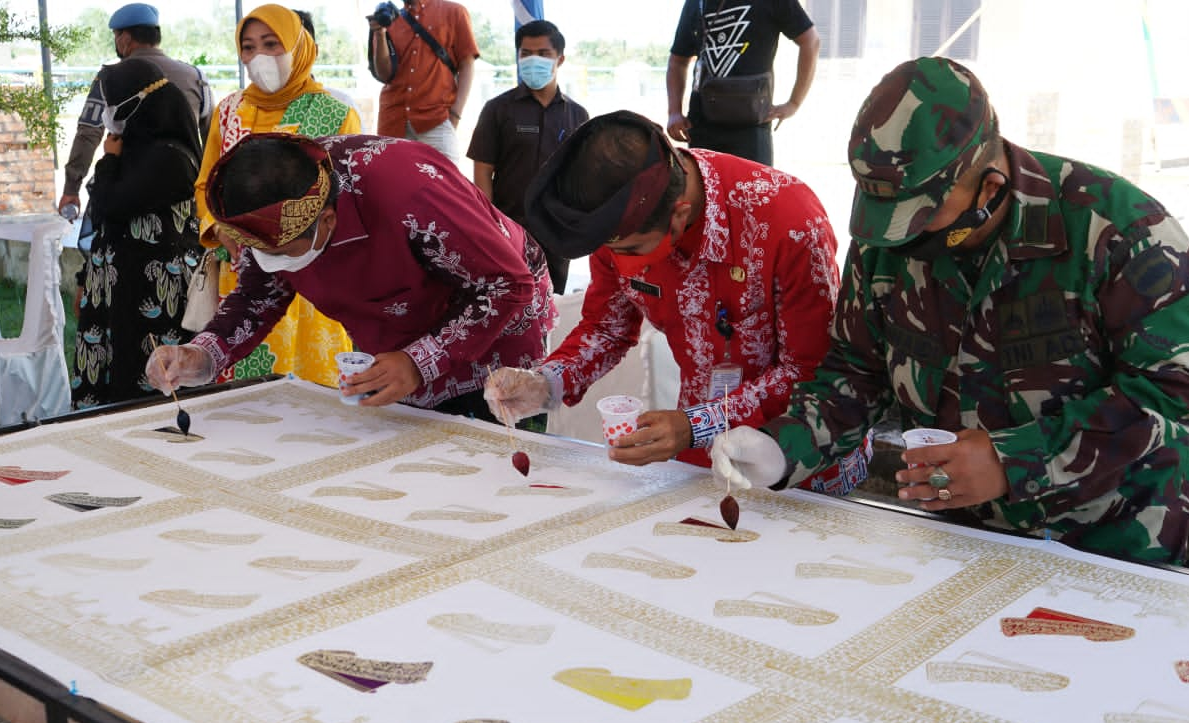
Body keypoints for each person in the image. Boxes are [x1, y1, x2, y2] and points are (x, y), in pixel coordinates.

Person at [711, 57, 1189, 565]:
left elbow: (1175, 392)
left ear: (989, 187)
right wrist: (783, 448)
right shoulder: (888, 239)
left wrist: (1011, 461)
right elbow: (856, 370)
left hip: (1112, 542)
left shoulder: (1121, 232)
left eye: (922, 219)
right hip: (963, 541)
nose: (903, 240)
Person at [483, 110, 869, 495]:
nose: (619, 260)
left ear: (679, 216)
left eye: (632, 250)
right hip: (697, 457)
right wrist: (546, 382)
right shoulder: (618, 222)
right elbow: (607, 327)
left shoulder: (788, 222)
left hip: (801, 462)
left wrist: (696, 424)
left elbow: (811, 369)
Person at [146, 132, 555, 421]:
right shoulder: (274, 207)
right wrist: (203, 354)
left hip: (496, 322)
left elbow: (507, 283)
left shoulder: (408, 190)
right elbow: (257, 295)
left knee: (490, 471)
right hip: (397, 335)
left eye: (282, 255)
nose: (269, 265)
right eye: (258, 253)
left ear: (327, 220)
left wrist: (420, 362)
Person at [195, 4, 361, 388]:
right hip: (242, 269)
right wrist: (219, 228)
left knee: (313, 380)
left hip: (311, 266)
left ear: (298, 46)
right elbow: (206, 184)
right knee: (244, 377)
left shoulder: (334, 112)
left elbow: (345, 193)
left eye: (271, 44)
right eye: (249, 48)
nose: (259, 58)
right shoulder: (229, 111)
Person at [72, 57, 202, 409]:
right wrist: (87, 276)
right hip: (115, 290)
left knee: (146, 387)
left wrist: (108, 161)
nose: (108, 113)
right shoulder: (132, 148)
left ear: (138, 102)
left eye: (114, 103)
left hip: (151, 296)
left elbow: (111, 205)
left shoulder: (169, 158)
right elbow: (102, 223)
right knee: (108, 381)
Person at [467, 19, 589, 296]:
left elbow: (583, 176)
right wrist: (488, 224)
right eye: (526, 53)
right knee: (508, 301)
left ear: (560, 59)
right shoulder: (498, 109)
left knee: (550, 303)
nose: (533, 60)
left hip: (556, 231)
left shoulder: (577, 115)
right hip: (509, 229)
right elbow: (483, 170)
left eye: (543, 53)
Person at [58, 2, 213, 219]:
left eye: (115, 35)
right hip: (186, 194)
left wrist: (71, 188)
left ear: (125, 39)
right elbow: (212, 140)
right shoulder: (196, 77)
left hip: (129, 195)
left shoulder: (110, 79)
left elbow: (88, 133)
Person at [665, 0, 820, 167]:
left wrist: (794, 103)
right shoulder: (696, 3)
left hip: (752, 128)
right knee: (707, 192)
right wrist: (674, 111)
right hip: (702, 125)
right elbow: (677, 61)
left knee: (753, 191)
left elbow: (810, 41)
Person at [367, 0, 478, 165]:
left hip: (436, 119)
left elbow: (467, 63)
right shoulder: (388, 17)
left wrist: (455, 115)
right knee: (393, 187)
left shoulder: (455, 11)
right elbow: (384, 75)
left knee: (443, 187)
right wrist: (379, 34)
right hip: (393, 122)